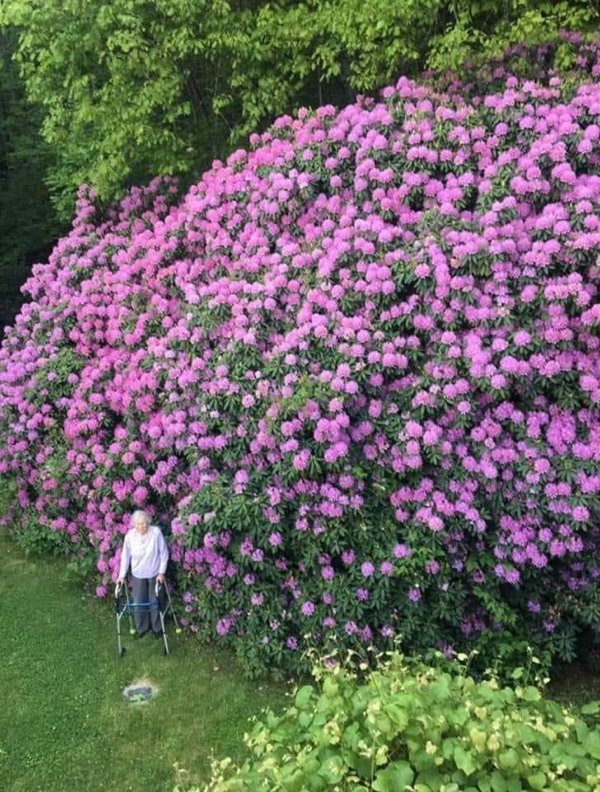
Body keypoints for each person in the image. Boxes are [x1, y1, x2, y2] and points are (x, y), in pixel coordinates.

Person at [118, 510, 169, 639]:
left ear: (148, 522)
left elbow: (164, 553)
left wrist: (161, 572)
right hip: (138, 573)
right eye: (139, 524)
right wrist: (122, 575)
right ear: (134, 525)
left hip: (154, 573)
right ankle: (142, 628)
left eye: (145, 523)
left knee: (155, 601)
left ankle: (157, 628)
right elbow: (125, 557)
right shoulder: (129, 536)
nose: (143, 526)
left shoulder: (156, 532)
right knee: (139, 602)